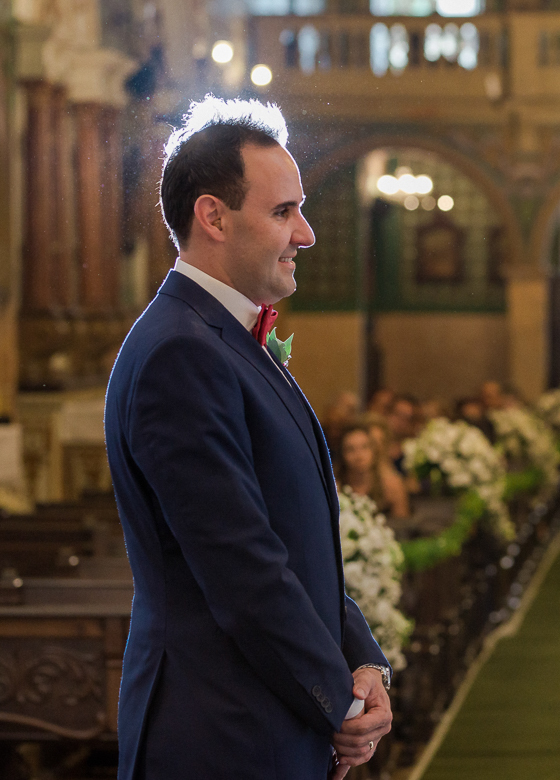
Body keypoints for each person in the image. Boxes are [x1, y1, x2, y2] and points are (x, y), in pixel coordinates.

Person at [104, 97, 391, 780]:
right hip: (220, 734)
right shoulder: (181, 353)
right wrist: (342, 708)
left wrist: (361, 660)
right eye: (284, 211)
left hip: (263, 720)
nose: (307, 233)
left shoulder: (227, 338)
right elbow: (243, 570)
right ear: (213, 216)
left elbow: (293, 545)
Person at [338, 423, 410, 521]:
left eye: (364, 447)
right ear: (342, 455)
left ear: (374, 451)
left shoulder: (392, 485)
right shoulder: (336, 488)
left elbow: (404, 527)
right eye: (350, 449)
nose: (359, 456)